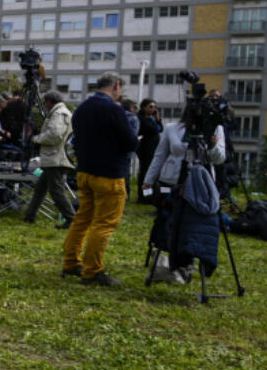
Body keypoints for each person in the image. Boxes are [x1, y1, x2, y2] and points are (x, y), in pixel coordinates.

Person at [62, 72, 138, 286]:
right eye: (120, 89)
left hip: (85, 171)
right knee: (104, 223)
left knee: (83, 219)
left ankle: (71, 262)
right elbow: (130, 142)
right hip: (110, 174)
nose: (120, 93)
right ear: (115, 85)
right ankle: (92, 270)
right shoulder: (114, 110)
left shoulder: (82, 108)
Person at [141, 101, 226, 283]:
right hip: (172, 181)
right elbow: (160, 155)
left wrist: (212, 146)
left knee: (193, 225)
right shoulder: (172, 129)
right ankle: (172, 262)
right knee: (170, 222)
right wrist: (148, 181)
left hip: (199, 185)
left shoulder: (215, 129)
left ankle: (188, 262)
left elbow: (219, 158)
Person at [22, 91, 77, 227]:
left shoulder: (59, 114)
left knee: (56, 191)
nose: (45, 105)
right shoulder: (61, 112)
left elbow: (54, 135)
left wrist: (35, 139)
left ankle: (71, 219)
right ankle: (30, 216)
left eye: (45, 102)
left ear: (50, 101)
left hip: (56, 158)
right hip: (54, 157)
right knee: (40, 189)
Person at [136, 98, 163, 202]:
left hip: (154, 147)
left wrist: (158, 119)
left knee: (152, 172)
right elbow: (154, 129)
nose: (153, 109)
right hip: (145, 148)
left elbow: (161, 128)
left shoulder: (152, 119)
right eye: (150, 107)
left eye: (154, 107)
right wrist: (156, 121)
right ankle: (143, 196)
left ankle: (151, 194)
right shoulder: (141, 119)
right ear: (144, 107)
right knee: (145, 171)